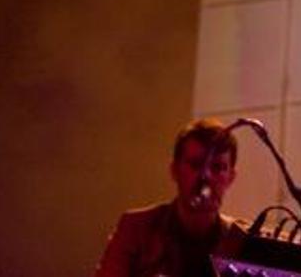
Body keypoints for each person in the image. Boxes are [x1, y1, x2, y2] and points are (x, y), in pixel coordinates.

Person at [95, 118, 247, 277]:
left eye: (217, 167)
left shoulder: (243, 239)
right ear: (175, 170)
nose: (206, 176)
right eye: (196, 164)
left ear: (231, 177)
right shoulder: (135, 229)